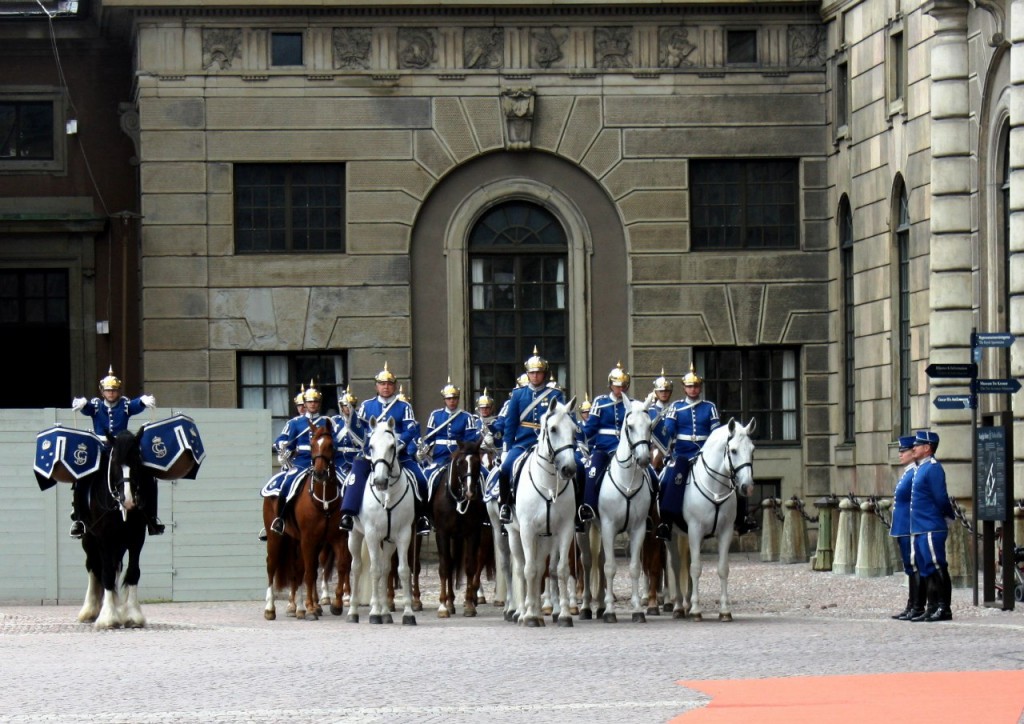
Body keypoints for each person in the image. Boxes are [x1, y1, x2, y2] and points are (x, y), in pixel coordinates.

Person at [339, 363, 432, 536]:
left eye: (389, 384)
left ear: (394, 386)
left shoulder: (404, 407)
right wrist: (349, 416)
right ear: (376, 386)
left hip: (399, 454)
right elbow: (361, 430)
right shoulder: (367, 406)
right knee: (353, 478)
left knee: (420, 479)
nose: (386, 387)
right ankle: (348, 514)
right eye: (382, 384)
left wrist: (397, 446)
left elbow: (411, 428)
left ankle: (422, 517)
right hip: (372, 454)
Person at [71, 366, 160, 538]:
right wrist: (82, 404)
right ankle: (79, 519)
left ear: (119, 391)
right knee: (81, 479)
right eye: (108, 390)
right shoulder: (96, 406)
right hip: (101, 451)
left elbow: (136, 405)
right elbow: (87, 408)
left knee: (148, 477)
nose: (111, 393)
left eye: (114, 390)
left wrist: (143, 400)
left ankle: (151, 518)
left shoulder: (125, 404)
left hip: (122, 450)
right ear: (102, 391)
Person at [497, 347, 566, 524]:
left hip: (550, 444)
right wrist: (506, 448)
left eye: (539, 373)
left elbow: (564, 421)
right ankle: (505, 505)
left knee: (577, 468)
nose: (535, 376)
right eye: (532, 373)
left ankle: (577, 510)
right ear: (527, 374)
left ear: (544, 374)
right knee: (505, 470)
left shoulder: (555, 394)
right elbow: (511, 424)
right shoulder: (518, 395)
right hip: (523, 442)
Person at [655, 363, 721, 541]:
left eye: (696, 386)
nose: (693, 389)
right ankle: (666, 522)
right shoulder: (676, 407)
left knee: (732, 475)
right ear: (684, 388)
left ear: (700, 388)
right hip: (683, 454)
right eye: (690, 386)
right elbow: (668, 431)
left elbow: (716, 433)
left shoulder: (709, 407)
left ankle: (741, 518)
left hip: (705, 453)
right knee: (669, 479)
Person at [268, 381, 333, 536]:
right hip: (302, 462)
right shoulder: (295, 423)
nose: (313, 405)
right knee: (287, 484)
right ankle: (280, 519)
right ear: (305, 403)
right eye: (310, 402)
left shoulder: (327, 422)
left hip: (324, 462)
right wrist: (282, 445)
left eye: (315, 402)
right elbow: (282, 441)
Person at [908, 429, 955, 622]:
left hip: (931, 525)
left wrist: (947, 517)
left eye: (917, 445)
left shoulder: (933, 468)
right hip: (921, 527)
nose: (914, 448)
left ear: (927, 448)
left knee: (937, 566)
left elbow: (941, 498)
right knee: (926, 568)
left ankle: (944, 608)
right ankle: (932, 606)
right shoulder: (921, 468)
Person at [578, 362, 631, 523]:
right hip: (603, 448)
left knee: (649, 475)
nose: (620, 389)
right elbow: (591, 427)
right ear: (610, 386)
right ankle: (588, 507)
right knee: (591, 473)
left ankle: (647, 514)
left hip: (625, 449)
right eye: (616, 386)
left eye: (623, 386)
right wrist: (579, 437)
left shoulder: (631, 404)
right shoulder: (600, 402)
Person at [417, 378, 481, 473]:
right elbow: (429, 438)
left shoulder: (467, 417)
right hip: (439, 457)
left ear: (458, 399)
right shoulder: (435, 415)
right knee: (426, 477)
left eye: (454, 398)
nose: (452, 401)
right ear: (444, 400)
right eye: (449, 399)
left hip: (460, 457)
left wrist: (459, 453)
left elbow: (470, 441)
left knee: (481, 475)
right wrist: (423, 450)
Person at [890, 434, 919, 620]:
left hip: (909, 526)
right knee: (909, 567)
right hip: (902, 526)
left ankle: (916, 605)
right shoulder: (908, 473)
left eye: (904, 451)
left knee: (913, 567)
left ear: (913, 452)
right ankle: (912, 603)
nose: (900, 454)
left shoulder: (915, 473)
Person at [649, 369, 674, 472]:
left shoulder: (675, 409)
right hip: (652, 448)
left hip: (672, 449)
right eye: (661, 391)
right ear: (656, 392)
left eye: (667, 391)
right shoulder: (649, 410)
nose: (664, 393)